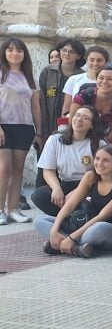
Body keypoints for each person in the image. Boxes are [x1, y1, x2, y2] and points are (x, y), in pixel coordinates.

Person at [35, 145, 112, 258]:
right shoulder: (90, 177)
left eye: (106, 160)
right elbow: (70, 205)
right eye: (97, 159)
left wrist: (71, 238)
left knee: (98, 228)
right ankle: (76, 248)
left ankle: (65, 245)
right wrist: (54, 230)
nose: (99, 163)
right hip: (87, 225)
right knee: (39, 220)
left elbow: (102, 217)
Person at [0, 37, 42, 224]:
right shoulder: (1, 73)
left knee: (18, 170)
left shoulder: (29, 76)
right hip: (3, 126)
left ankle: (13, 208)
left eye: (19, 50)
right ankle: (0, 209)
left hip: (24, 127)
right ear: (4, 53)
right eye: (10, 50)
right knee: (4, 168)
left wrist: (38, 132)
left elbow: (35, 107)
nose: (15, 54)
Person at [32, 107, 105, 216]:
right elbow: (48, 170)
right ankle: (68, 220)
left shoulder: (99, 144)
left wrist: (78, 192)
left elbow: (101, 175)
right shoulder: (55, 140)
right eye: (77, 115)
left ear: (92, 125)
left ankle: (78, 218)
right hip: (66, 183)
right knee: (39, 195)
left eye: (85, 118)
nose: (79, 119)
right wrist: (56, 188)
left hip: (89, 186)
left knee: (90, 202)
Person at [70, 66, 112, 145]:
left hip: (103, 140)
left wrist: (100, 146)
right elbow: (71, 120)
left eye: (110, 79)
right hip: (78, 134)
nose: (104, 81)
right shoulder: (83, 95)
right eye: (101, 78)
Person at [39, 38, 85, 137]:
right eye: (64, 50)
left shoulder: (82, 76)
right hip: (48, 120)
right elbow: (41, 98)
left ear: (78, 56)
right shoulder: (48, 71)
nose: (67, 54)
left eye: (71, 51)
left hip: (72, 121)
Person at [61, 45, 108, 120]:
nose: (95, 63)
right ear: (86, 60)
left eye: (99, 60)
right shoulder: (73, 79)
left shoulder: (108, 82)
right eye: (92, 60)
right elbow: (67, 106)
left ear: (105, 62)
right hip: (76, 122)